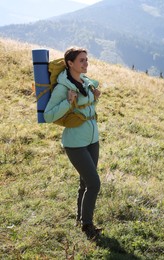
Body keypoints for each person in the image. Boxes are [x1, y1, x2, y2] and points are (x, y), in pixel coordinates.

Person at [44, 47, 102, 240]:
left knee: (85, 182)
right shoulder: (63, 87)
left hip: (93, 140)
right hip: (75, 143)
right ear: (70, 64)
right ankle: (88, 226)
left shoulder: (85, 81)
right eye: (82, 61)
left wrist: (95, 90)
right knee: (94, 183)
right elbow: (49, 115)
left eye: (87, 60)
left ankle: (80, 219)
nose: (86, 64)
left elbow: (88, 101)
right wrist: (68, 102)